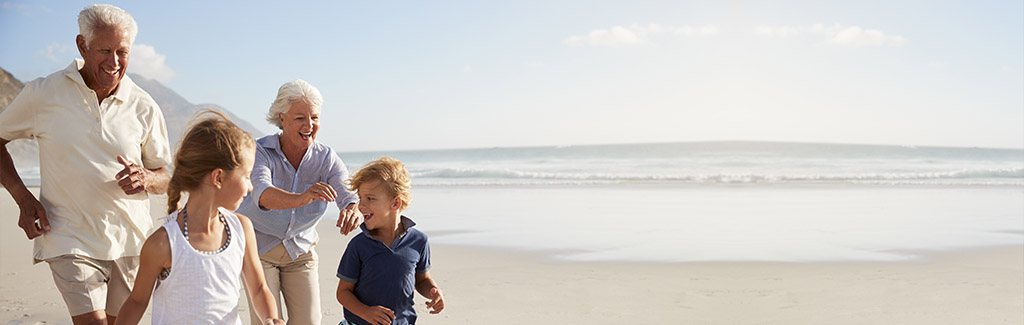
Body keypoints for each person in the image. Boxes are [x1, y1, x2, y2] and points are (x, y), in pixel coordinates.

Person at [0, 4, 171, 324]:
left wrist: (146, 178)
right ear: (82, 45)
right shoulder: (43, 93)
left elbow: (165, 175)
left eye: (123, 51)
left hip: (131, 241)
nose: (115, 61)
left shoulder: (145, 105)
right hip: (67, 236)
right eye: (104, 50)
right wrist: (23, 198)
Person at [115, 112, 285, 325]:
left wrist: (271, 318)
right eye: (246, 176)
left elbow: (259, 289)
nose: (250, 186)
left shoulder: (242, 228)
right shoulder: (163, 244)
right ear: (218, 177)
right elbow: (137, 302)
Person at [236, 79, 360, 324]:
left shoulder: (326, 158)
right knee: (269, 321)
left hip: (300, 251)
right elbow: (262, 194)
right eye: (300, 118)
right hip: (259, 249)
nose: (309, 125)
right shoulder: (260, 151)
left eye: (314, 117)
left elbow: (349, 194)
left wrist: (351, 209)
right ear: (282, 119)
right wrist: (304, 197)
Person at [336, 157, 445, 325]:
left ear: (395, 203)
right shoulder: (359, 245)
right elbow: (343, 292)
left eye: (370, 198)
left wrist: (433, 292)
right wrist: (366, 313)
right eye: (360, 198)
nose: (361, 205)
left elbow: (422, 279)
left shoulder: (418, 241)